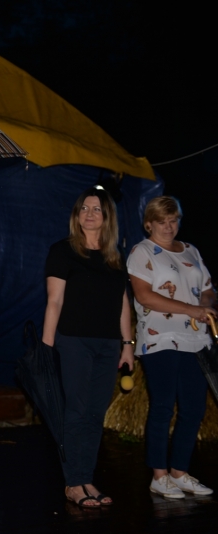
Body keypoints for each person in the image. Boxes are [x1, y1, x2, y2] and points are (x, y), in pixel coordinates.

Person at [42, 187, 134, 508]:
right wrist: (47, 348)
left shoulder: (115, 257)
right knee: (77, 412)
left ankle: (86, 478)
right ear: (76, 214)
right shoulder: (62, 251)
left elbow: (123, 303)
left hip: (108, 344)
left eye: (96, 209)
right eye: (84, 208)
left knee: (95, 414)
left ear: (107, 217)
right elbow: (54, 302)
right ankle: (73, 483)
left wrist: (127, 344)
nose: (90, 214)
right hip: (74, 341)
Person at [127, 196, 216, 498]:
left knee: (194, 408)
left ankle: (179, 471)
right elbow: (144, 296)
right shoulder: (141, 251)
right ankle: (159, 475)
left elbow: (207, 289)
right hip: (160, 337)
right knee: (163, 405)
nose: (168, 227)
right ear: (148, 224)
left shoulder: (191, 249)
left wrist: (206, 305)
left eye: (173, 220)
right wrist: (191, 309)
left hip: (196, 339)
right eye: (161, 221)